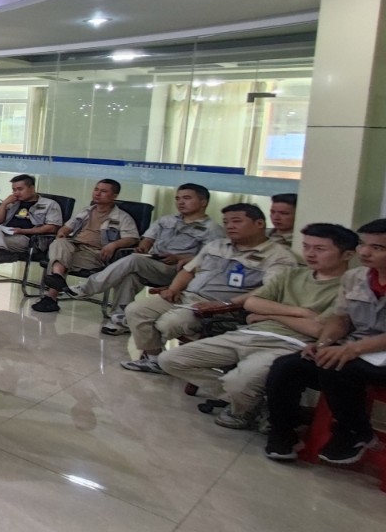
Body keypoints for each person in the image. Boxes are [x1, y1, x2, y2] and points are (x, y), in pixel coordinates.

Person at [159, 223, 354, 429]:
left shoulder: (350, 287)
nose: (310, 254)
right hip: (250, 333)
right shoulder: (292, 275)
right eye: (306, 246)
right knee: (170, 360)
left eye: (320, 249)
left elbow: (317, 330)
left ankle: (243, 406)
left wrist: (269, 315)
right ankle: (254, 402)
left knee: (239, 381)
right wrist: (300, 312)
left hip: (290, 344)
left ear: (347, 254)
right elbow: (252, 303)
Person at [120, 203, 300, 374]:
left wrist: (226, 304)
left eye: (236, 221)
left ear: (259, 224)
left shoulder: (278, 256)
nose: (230, 226)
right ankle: (154, 360)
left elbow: (267, 292)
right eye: (226, 222)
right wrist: (173, 289)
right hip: (187, 297)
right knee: (136, 310)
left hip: (223, 308)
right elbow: (188, 271)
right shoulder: (216, 245)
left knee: (168, 323)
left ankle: (191, 359)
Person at [264, 218, 386, 463]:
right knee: (288, 366)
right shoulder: (355, 277)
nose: (365, 252)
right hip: (358, 351)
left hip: (372, 357)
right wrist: (323, 343)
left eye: (377, 248)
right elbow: (341, 318)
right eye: (362, 244)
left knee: (338, 367)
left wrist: (352, 349)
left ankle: (354, 432)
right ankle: (283, 432)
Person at [88, 184, 223, 335]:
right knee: (130, 276)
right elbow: (148, 239)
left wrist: (179, 257)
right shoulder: (166, 220)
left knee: (134, 260)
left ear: (203, 202)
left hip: (180, 271)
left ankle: (89, 287)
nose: (180, 202)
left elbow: (208, 260)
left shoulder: (213, 230)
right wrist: (143, 247)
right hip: (153, 264)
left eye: (186, 198)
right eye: (178, 198)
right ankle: (120, 319)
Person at [31, 179, 140, 313]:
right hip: (74, 245)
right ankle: (57, 278)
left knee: (60, 260)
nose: (97, 193)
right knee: (59, 243)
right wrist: (62, 232)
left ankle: (51, 296)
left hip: (95, 253)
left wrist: (114, 245)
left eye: (103, 191)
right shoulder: (86, 211)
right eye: (96, 189)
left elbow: (132, 238)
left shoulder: (122, 217)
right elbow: (67, 227)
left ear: (114, 196)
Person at [0, 174, 64, 285]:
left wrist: (24, 231)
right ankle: (0, 251)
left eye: (20, 189)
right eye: (14, 190)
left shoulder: (49, 204)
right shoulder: (13, 202)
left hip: (27, 239)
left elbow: (52, 227)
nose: (16, 193)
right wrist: (4, 204)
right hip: (3, 235)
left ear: (32, 188)